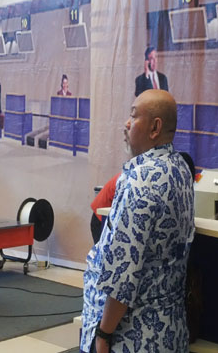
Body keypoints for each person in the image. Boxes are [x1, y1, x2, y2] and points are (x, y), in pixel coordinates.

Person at [80, 89, 195, 353]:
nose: (127, 123)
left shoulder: (139, 182)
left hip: (132, 336)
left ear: (155, 127)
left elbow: (122, 275)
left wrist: (103, 334)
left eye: (133, 116)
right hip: (168, 329)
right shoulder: (180, 170)